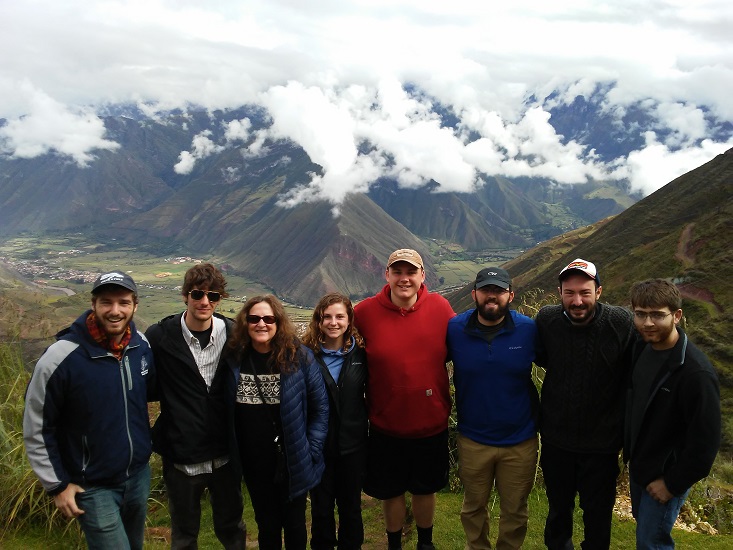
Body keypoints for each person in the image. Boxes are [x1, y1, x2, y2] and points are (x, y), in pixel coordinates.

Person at [23, 271, 155, 549]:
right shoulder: (61, 358)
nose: (115, 311)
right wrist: (57, 485)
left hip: (138, 476)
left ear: (135, 305)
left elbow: (148, 394)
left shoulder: (140, 346)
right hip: (93, 486)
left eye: (123, 302)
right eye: (106, 302)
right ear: (93, 304)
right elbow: (36, 426)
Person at [354, 248, 455, 550]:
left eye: (411, 272)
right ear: (386, 275)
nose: (404, 278)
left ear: (423, 276)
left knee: (426, 489)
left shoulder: (440, 308)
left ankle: (426, 543)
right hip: (386, 426)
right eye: (397, 272)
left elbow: (457, 349)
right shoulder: (365, 313)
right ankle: (394, 543)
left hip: (430, 423)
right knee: (391, 491)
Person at [535, 258, 635, 550]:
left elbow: (633, 374)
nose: (577, 300)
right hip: (556, 441)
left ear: (599, 292)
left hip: (602, 446)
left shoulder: (620, 323)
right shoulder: (547, 320)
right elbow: (542, 357)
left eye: (585, 293)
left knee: (598, 516)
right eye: (569, 293)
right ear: (560, 293)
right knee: (558, 513)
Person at [145, 263, 246, 549]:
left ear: (220, 299)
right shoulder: (160, 336)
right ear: (185, 296)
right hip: (181, 456)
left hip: (224, 453)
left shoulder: (233, 334)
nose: (205, 302)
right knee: (184, 533)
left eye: (213, 296)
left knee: (232, 528)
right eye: (198, 294)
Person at [447, 267, 539, 550]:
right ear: (474, 294)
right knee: (473, 507)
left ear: (510, 295)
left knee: (515, 511)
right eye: (486, 290)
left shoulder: (528, 330)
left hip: (520, 440)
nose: (492, 296)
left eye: (498, 291)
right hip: (473, 438)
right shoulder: (455, 329)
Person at [625, 279, 720, 549]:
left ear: (676, 315)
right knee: (645, 535)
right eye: (641, 314)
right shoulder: (642, 347)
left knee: (651, 542)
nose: (648, 323)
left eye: (657, 314)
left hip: (664, 475)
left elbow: (706, 443)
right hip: (641, 466)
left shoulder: (695, 372)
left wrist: (671, 483)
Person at [228, 294, 329, 550]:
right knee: (267, 525)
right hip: (254, 463)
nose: (261, 324)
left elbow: (320, 409)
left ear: (278, 322)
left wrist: (311, 449)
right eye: (254, 319)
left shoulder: (300, 358)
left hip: (292, 458)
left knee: (295, 525)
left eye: (268, 318)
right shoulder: (235, 360)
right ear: (245, 322)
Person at [302, 293, 369, 550]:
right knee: (321, 509)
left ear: (349, 319)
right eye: (327, 317)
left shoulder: (362, 355)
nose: (333, 322)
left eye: (340, 316)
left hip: (353, 446)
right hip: (318, 448)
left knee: (351, 508)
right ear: (318, 321)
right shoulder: (305, 356)